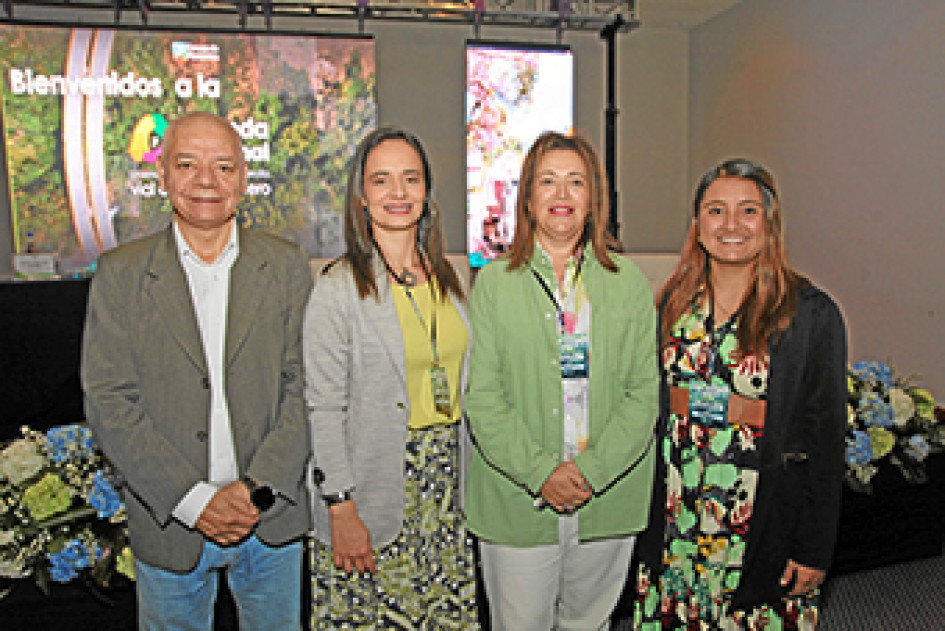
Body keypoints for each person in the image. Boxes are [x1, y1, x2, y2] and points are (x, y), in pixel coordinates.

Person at [82, 111, 312, 630]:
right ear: (162, 176)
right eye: (187, 164)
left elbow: (304, 387)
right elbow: (109, 401)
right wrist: (193, 500)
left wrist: (256, 490)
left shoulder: (286, 266)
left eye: (223, 167)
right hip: (171, 523)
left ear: (243, 179)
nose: (206, 181)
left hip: (269, 519)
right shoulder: (121, 275)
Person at [632, 159, 847, 629]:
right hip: (677, 516)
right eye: (716, 211)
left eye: (747, 211)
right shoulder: (674, 303)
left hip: (760, 522)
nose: (731, 225)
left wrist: (814, 549)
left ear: (768, 224)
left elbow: (826, 444)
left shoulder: (810, 314)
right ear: (697, 223)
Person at [464, 131, 659, 630]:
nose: (562, 195)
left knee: (587, 623)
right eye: (547, 182)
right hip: (517, 498)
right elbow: (483, 398)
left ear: (595, 197)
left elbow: (643, 396)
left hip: (607, 496)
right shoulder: (494, 284)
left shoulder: (629, 284)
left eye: (576, 182)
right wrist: (541, 473)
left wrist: (591, 472)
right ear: (527, 199)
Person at [304, 127, 479, 628]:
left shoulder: (452, 276)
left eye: (411, 179)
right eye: (382, 181)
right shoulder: (338, 288)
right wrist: (339, 507)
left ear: (427, 193)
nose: (398, 194)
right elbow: (323, 407)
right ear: (362, 198)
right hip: (373, 489)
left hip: (446, 490)